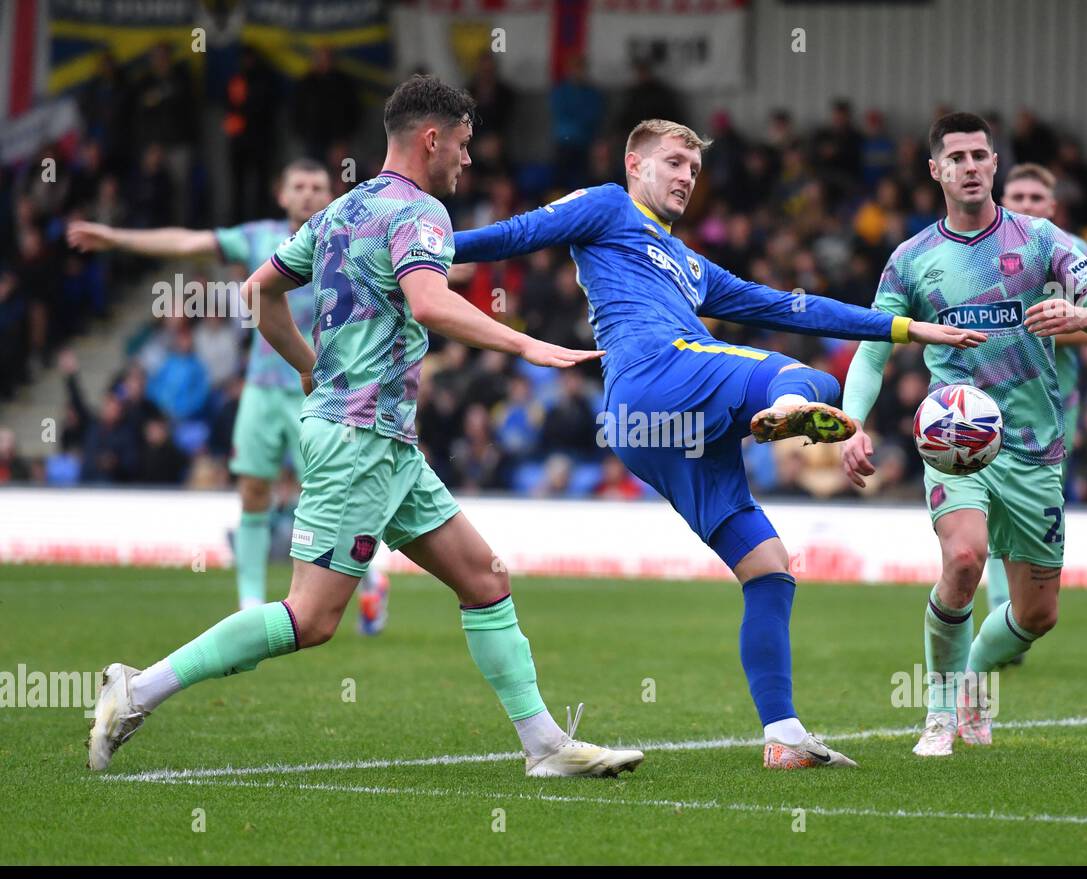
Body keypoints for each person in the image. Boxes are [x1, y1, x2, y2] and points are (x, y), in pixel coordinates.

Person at [86, 76, 643, 780]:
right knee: (311, 618)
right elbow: (431, 302)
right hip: (360, 441)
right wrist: (524, 343)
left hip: (384, 440)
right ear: (432, 139)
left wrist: (309, 365)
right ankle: (137, 689)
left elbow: (257, 289)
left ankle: (543, 745)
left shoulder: (338, 212)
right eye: (464, 145)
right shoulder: (424, 212)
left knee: (485, 577)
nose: (469, 161)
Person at [452, 118, 983, 769]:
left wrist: (904, 328)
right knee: (809, 377)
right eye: (674, 162)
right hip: (655, 375)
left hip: (650, 432)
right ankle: (785, 412)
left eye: (695, 170)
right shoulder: (608, 206)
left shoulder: (692, 266)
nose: (685, 177)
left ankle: (784, 736)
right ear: (634, 163)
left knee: (770, 568)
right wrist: (420, 252)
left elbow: (794, 307)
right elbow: (516, 234)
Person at [840, 112, 1087, 757]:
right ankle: (938, 716)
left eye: (981, 155)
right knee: (965, 560)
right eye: (958, 157)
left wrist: (1081, 310)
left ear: (994, 164)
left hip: (1036, 447)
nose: (971, 166)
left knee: (1037, 614)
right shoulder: (911, 260)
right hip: (957, 438)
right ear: (935, 170)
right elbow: (871, 350)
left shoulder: (1041, 241)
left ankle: (970, 679)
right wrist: (853, 422)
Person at [68, 160, 394, 633]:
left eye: (317, 187)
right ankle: (249, 604)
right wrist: (118, 238)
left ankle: (372, 582)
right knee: (253, 491)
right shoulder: (258, 237)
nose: (307, 194)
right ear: (281, 195)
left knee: (342, 500)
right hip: (262, 390)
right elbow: (187, 241)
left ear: (331, 194)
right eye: (298, 186)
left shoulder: (348, 237)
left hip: (325, 394)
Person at [993, 162, 1087, 662]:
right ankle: (1003, 610)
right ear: (1001, 196)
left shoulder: (1068, 250)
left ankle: (1019, 612)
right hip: (989, 402)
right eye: (1018, 195)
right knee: (988, 504)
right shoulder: (977, 250)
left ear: (1053, 207)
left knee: (1031, 507)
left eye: (1038, 198)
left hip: (1052, 406)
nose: (1028, 204)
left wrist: (1035, 326)